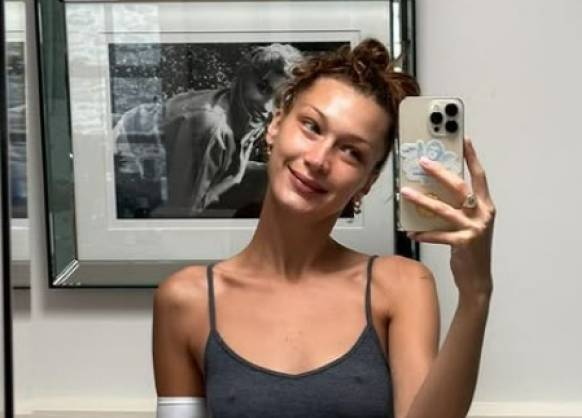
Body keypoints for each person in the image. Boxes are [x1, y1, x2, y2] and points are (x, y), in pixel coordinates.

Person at [152, 39, 496, 418]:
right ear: (276, 125)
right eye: (312, 127)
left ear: (367, 183)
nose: (318, 160)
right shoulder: (185, 299)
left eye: (351, 151)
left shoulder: (400, 287)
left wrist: (476, 293)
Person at [114, 43, 303, 217]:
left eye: (279, 99)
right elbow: (181, 212)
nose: (267, 106)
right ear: (242, 76)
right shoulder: (213, 128)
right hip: (126, 155)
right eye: (262, 88)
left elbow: (230, 168)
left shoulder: (247, 113)